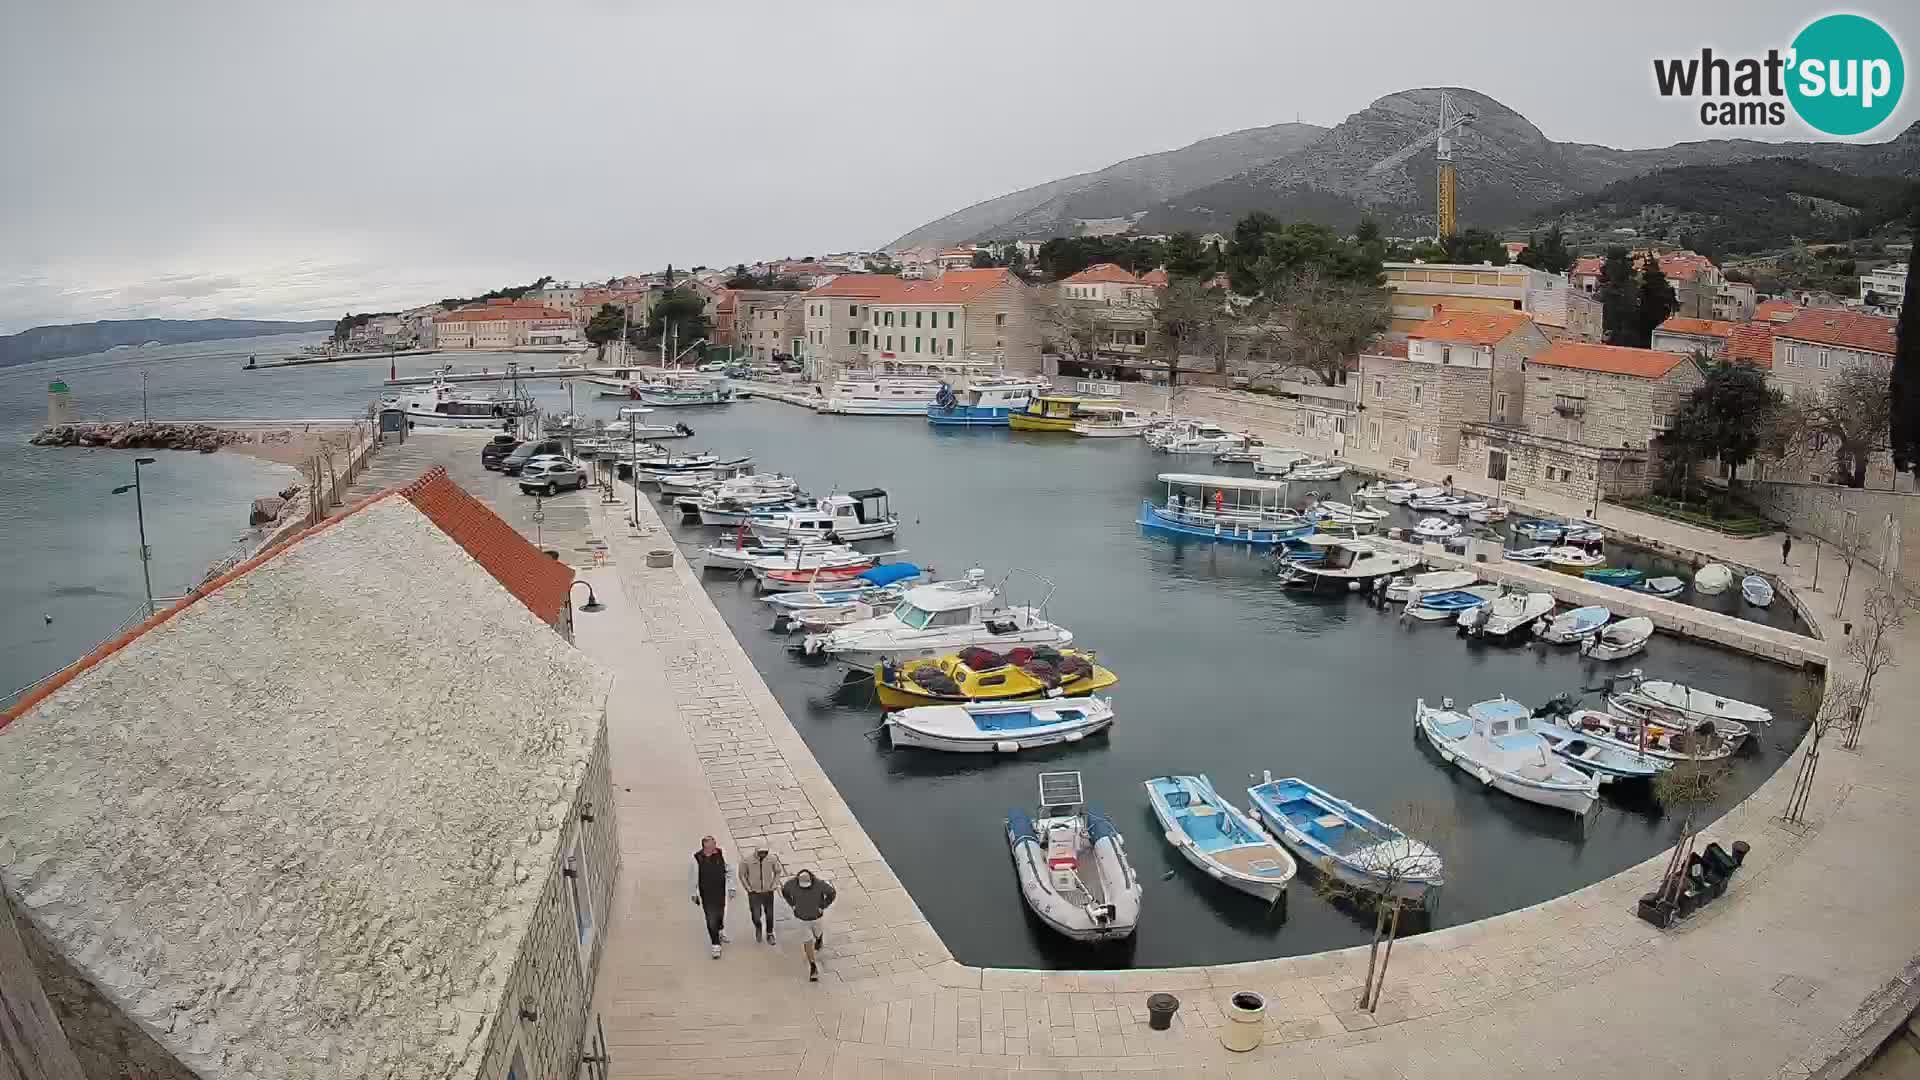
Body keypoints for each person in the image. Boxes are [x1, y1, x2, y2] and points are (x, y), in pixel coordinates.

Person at [780, 868, 837, 982]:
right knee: (807, 941)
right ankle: (813, 966)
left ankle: (819, 938)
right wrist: (792, 904)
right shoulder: (791, 884)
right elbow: (785, 891)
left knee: (817, 933)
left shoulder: (820, 885)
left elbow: (832, 893)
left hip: (816, 917)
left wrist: (823, 905)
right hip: (801, 919)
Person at [688, 835, 736, 958]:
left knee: (720, 914)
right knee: (710, 918)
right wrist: (694, 893)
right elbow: (693, 877)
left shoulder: (721, 853)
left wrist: (731, 887)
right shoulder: (696, 858)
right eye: (711, 846)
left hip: (720, 892)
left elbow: (729, 870)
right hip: (706, 894)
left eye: (715, 844)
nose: (715, 847)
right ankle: (715, 945)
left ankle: (720, 930)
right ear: (705, 848)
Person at [738, 846, 786, 945]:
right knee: (756, 915)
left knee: (769, 914)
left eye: (765, 852)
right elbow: (742, 875)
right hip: (754, 893)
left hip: (768, 892)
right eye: (761, 852)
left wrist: (774, 885)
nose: (763, 854)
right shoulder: (746, 861)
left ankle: (769, 933)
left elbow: (777, 871)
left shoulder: (772, 859)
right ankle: (758, 927)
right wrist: (748, 888)